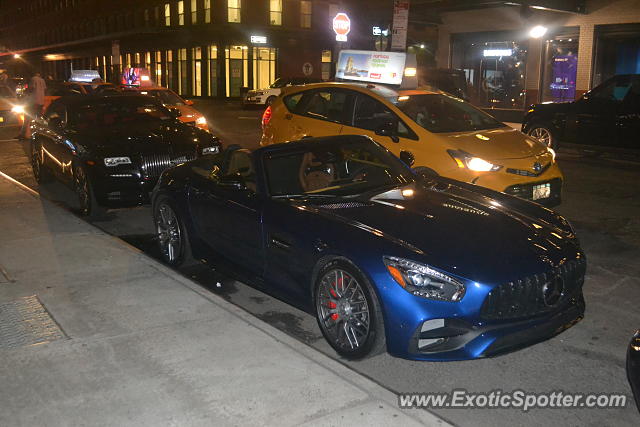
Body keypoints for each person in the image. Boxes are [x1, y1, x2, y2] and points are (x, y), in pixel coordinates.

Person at [17, 72, 47, 140]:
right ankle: (41, 134)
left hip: (33, 102)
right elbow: (45, 89)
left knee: (27, 118)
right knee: (39, 118)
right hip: (41, 102)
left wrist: (25, 91)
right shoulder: (42, 80)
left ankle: (23, 134)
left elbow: (31, 89)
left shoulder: (33, 79)